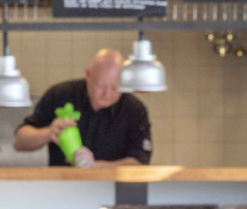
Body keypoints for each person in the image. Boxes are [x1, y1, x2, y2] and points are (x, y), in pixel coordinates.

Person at [13, 48, 152, 167]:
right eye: (101, 86)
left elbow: (139, 162)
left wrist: (94, 167)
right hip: (62, 189)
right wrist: (48, 133)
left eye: (115, 87)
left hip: (113, 191)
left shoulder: (134, 109)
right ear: (88, 75)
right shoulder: (60, 94)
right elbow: (19, 141)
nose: (107, 94)